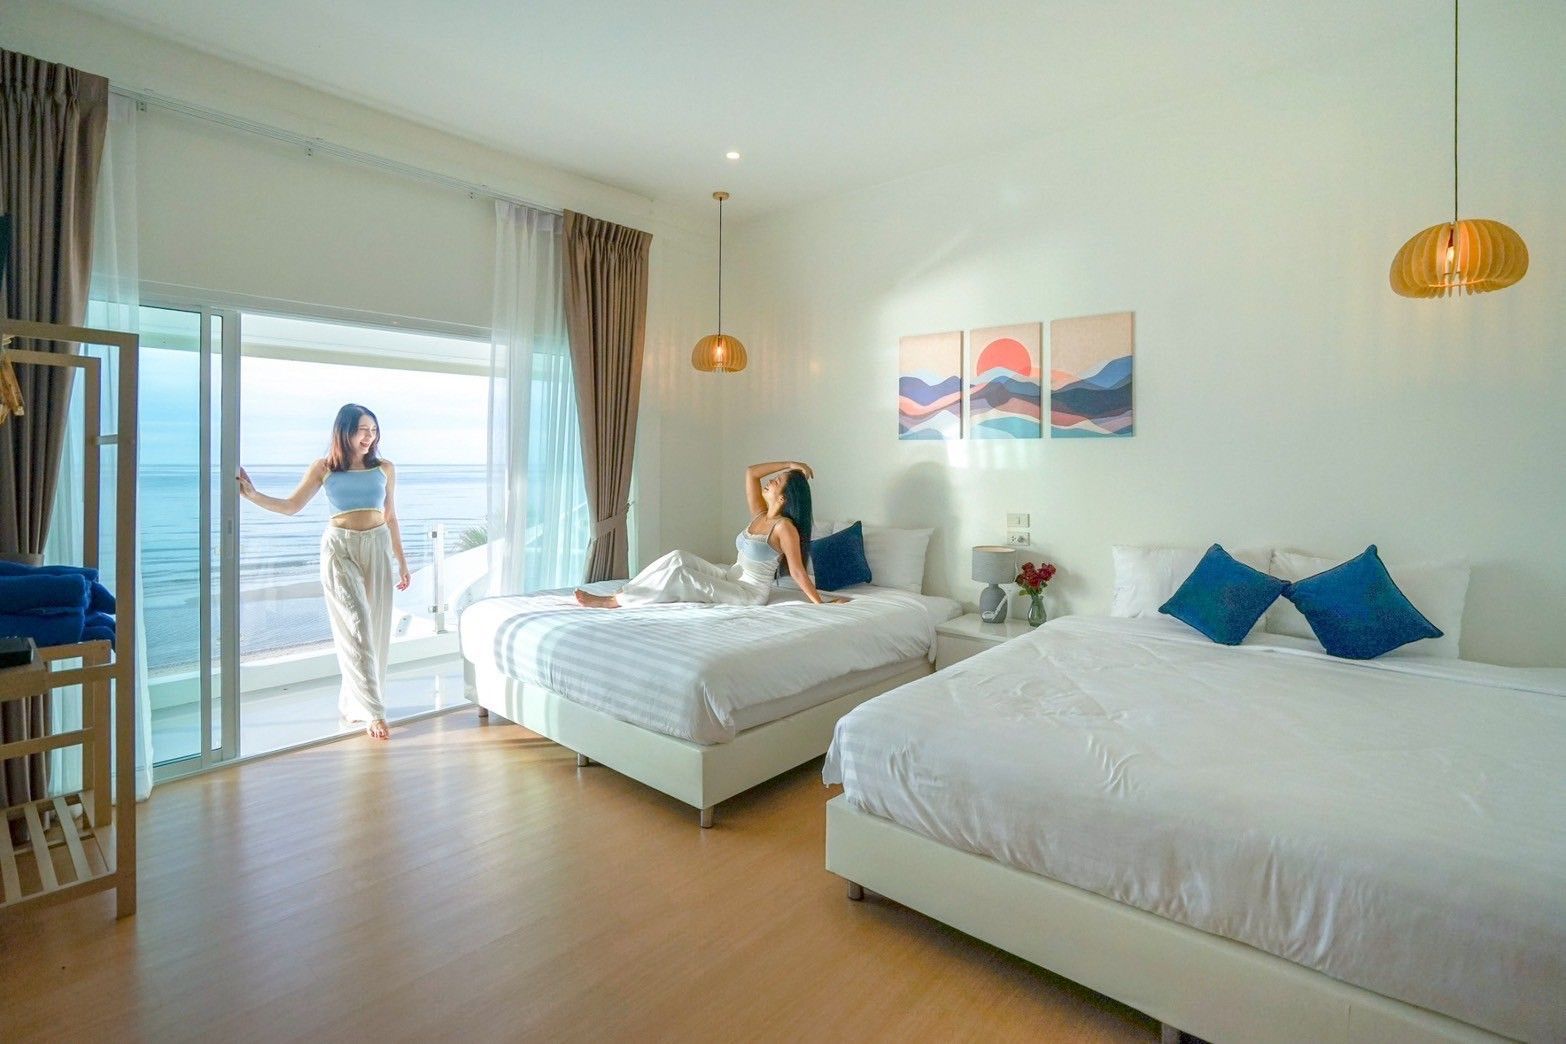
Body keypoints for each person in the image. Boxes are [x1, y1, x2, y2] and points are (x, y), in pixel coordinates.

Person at [236, 404, 411, 740]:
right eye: (362, 429)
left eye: (373, 430)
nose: (368, 436)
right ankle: (375, 712)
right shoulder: (324, 468)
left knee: (376, 629)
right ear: (343, 431)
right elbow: (290, 507)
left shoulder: (385, 468)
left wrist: (402, 561)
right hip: (340, 548)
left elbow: (391, 517)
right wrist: (252, 495)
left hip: (377, 545)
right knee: (357, 624)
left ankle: (356, 703)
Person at [574, 460, 843, 609]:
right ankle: (627, 590)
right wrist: (789, 464)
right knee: (678, 557)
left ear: (783, 497)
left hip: (749, 593)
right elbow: (750, 472)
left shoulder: (784, 527)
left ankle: (615, 601)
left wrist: (820, 602)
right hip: (731, 576)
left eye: (777, 481)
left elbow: (796, 571)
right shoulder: (761, 515)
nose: (770, 481)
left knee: (682, 575)